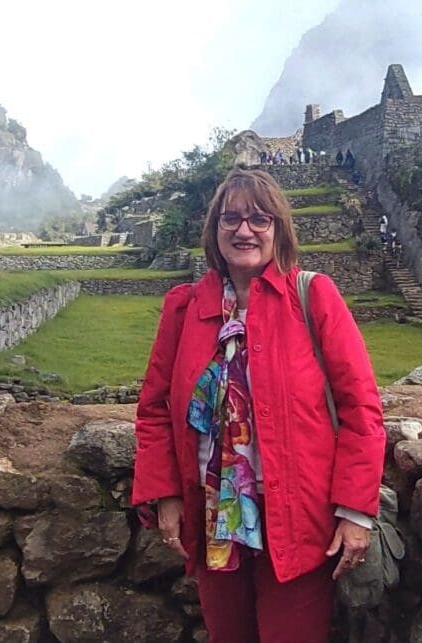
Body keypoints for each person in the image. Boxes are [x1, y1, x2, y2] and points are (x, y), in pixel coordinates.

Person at [132, 168, 385, 643]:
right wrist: (165, 494)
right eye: (231, 219)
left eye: (258, 219)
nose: (244, 230)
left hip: (298, 517)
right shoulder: (185, 309)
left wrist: (354, 510)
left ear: (278, 230)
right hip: (214, 518)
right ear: (214, 231)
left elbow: (361, 408)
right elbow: (154, 411)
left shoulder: (313, 297)